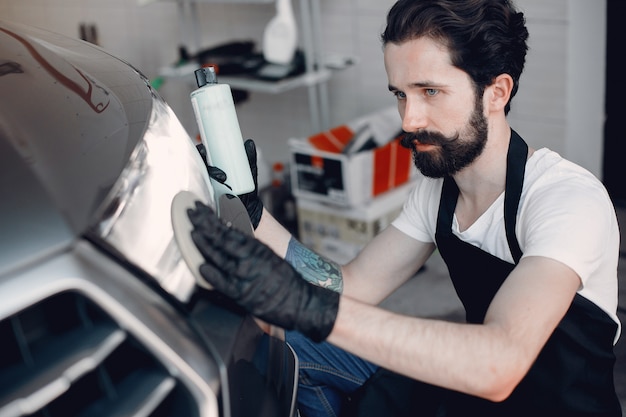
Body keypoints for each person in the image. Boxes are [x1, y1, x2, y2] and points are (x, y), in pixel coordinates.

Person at [186, 0, 623, 415]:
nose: (409, 120)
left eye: (430, 91)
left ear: (496, 92)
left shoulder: (566, 200)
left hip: (535, 402)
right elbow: (348, 286)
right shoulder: (438, 192)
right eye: (400, 94)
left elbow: (499, 363)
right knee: (290, 338)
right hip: (472, 402)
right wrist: (253, 213)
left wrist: (309, 307)